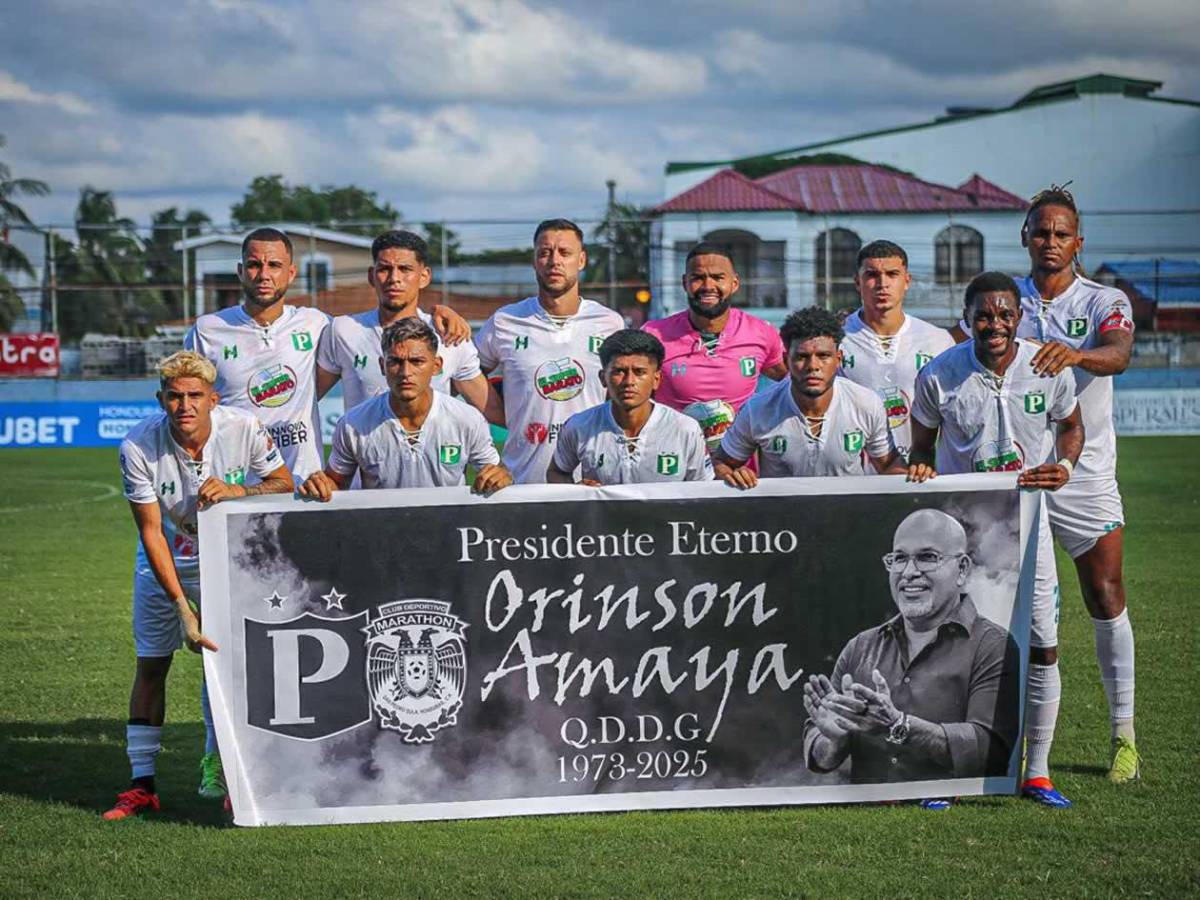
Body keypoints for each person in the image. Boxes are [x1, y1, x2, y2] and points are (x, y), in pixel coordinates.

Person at [908, 271, 1084, 808]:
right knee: (954, 648)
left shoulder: (1046, 366)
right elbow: (921, 446)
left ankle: (1038, 770)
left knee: (1043, 645)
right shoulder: (940, 374)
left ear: (1019, 317)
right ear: (967, 318)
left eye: (1005, 314)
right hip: (968, 534)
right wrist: (920, 470)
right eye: (984, 315)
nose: (995, 324)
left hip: (1031, 526)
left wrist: (1065, 465)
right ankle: (951, 776)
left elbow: (1071, 426)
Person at [104, 351, 292, 820]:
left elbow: (284, 482)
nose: (184, 405)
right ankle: (141, 785)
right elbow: (150, 532)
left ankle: (221, 768)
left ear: (212, 399)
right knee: (151, 665)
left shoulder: (243, 428)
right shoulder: (137, 445)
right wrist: (183, 609)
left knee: (223, 665)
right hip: (163, 563)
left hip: (225, 561)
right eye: (174, 396)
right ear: (160, 399)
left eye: (194, 396)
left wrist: (239, 490)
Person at [1016, 185, 1140, 784]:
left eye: (1062, 233)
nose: (1051, 242)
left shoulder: (1102, 299)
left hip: (1085, 474)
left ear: (1078, 242)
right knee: (1005, 612)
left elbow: (1118, 354)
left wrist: (1074, 356)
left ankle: (1124, 734)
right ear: (1026, 238)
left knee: (1104, 595)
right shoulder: (1004, 300)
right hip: (1016, 477)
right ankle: (1013, 743)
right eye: (1041, 232)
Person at [802, 509, 1021, 784]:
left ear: (962, 569)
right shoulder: (860, 647)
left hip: (951, 821)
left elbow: (992, 753)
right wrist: (835, 741)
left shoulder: (993, 646)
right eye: (900, 559)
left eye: (927, 558)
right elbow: (819, 757)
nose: (909, 572)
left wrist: (898, 724)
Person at [473, 218, 624, 484]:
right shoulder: (505, 321)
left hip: (591, 482)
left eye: (564, 253)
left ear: (581, 260)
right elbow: (466, 373)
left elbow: (623, 396)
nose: (554, 261)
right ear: (534, 261)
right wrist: (506, 416)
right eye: (544, 253)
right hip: (521, 481)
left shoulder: (609, 323)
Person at [299, 317, 511, 498]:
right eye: (395, 362)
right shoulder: (353, 425)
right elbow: (336, 482)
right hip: (382, 537)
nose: (405, 372)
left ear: (436, 366)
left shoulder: (467, 419)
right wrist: (321, 485)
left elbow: (495, 471)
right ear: (382, 366)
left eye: (417, 361)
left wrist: (502, 476)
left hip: (447, 536)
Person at [183, 228, 328, 482]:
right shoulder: (207, 330)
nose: (264, 275)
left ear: (291, 273)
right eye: (253, 265)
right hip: (233, 486)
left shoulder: (315, 324)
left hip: (304, 485)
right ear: (240, 272)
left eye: (274, 265)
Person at [713, 307, 904, 487]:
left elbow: (889, 464)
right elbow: (722, 462)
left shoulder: (865, 403)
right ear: (787, 360)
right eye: (802, 356)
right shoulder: (758, 409)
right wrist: (731, 475)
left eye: (823, 356)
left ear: (838, 359)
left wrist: (911, 477)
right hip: (781, 519)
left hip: (847, 517)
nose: (813, 366)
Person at [315, 229, 493, 416]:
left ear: (424, 277)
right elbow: (305, 399)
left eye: (405, 269)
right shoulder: (343, 330)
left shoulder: (449, 335)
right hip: (363, 445)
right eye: (385, 269)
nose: (394, 279)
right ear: (371, 276)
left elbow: (492, 409)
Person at [642, 242, 787, 451]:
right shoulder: (654, 335)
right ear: (685, 283)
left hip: (738, 467)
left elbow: (794, 382)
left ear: (734, 283)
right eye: (698, 278)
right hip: (674, 463)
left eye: (718, 277)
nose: (708, 286)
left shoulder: (762, 333)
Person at [838, 240, 955, 461]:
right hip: (853, 478)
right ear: (857, 282)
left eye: (892, 274)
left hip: (919, 475)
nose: (882, 284)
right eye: (872, 275)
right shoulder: (836, 340)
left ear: (907, 281)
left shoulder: (938, 340)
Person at [547, 329, 712, 485]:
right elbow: (557, 472)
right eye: (619, 371)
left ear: (656, 379)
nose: (629, 382)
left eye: (639, 372)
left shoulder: (685, 429)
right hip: (603, 517)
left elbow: (701, 488)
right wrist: (575, 492)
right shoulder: (579, 426)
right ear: (603, 378)